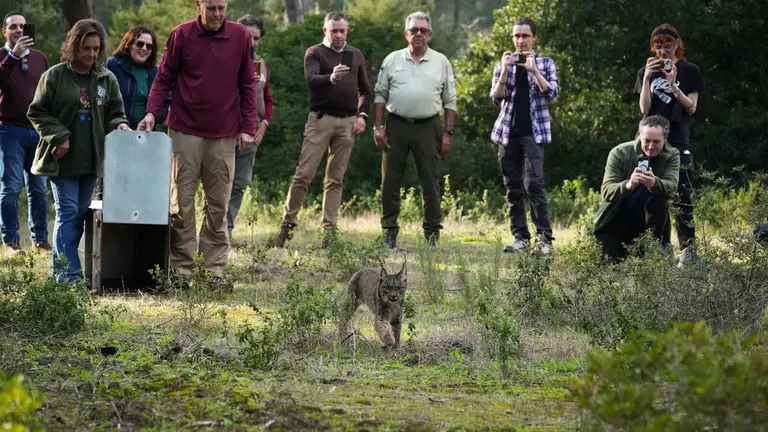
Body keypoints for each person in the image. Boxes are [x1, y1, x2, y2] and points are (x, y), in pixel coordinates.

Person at [138, 0, 257, 283]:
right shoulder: (181, 34)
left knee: (219, 204)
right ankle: (182, 270)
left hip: (224, 133)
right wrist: (151, 113)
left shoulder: (240, 36)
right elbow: (164, 78)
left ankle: (213, 270)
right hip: (185, 130)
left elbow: (247, 85)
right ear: (198, 5)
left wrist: (247, 127)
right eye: (211, 7)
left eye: (222, 8)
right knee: (181, 203)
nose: (217, 14)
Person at [28, 19, 130, 282]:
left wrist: (120, 125)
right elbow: (36, 112)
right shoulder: (55, 75)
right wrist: (59, 136)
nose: (92, 54)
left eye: (96, 49)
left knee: (78, 215)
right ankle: (69, 277)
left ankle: (61, 271)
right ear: (74, 46)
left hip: (92, 160)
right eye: (86, 48)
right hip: (62, 160)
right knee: (67, 212)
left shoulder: (106, 79)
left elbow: (116, 113)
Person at [270, 11, 370, 249]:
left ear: (347, 31)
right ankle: (288, 224)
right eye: (333, 30)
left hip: (347, 122)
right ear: (325, 30)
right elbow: (312, 80)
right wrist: (332, 78)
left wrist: (362, 116)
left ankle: (328, 233)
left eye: (341, 30)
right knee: (304, 174)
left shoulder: (355, 55)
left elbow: (365, 89)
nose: (337, 34)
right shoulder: (314, 53)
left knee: (335, 179)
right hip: (320, 120)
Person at [373, 11, 456, 249]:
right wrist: (378, 126)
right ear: (406, 34)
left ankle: (432, 234)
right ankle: (389, 232)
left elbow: (450, 99)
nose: (418, 34)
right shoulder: (392, 59)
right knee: (390, 180)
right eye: (414, 30)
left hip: (428, 126)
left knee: (430, 181)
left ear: (430, 35)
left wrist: (448, 133)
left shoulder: (441, 61)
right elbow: (380, 93)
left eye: (423, 30)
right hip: (396, 124)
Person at [635, 23, 704, 267]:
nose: (663, 51)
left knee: (682, 195)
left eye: (667, 45)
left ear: (677, 45)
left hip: (677, 139)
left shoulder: (689, 70)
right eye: (658, 46)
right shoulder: (647, 70)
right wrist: (645, 78)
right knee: (652, 196)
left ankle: (688, 251)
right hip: (650, 141)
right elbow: (644, 109)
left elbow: (692, 108)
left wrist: (673, 83)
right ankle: (660, 249)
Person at [489, 16, 560, 255]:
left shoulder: (546, 63)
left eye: (525, 36)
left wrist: (534, 71)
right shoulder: (504, 63)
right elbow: (495, 98)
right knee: (513, 188)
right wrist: (505, 71)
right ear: (512, 38)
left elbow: (553, 94)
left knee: (534, 186)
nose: (520, 40)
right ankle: (520, 238)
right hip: (507, 134)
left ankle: (544, 240)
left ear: (534, 38)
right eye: (517, 36)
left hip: (534, 134)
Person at [95, 25, 170, 200]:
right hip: (115, 140)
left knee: (140, 195)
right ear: (129, 44)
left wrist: (152, 116)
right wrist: (116, 123)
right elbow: (100, 99)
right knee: (110, 195)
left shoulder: (155, 73)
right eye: (139, 44)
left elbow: (166, 104)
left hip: (146, 143)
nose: (144, 49)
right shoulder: (113, 65)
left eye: (149, 46)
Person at [593, 116, 680, 262]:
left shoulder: (672, 155)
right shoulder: (620, 152)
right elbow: (607, 191)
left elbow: (671, 189)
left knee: (659, 197)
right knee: (609, 264)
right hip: (616, 217)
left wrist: (654, 183)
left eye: (656, 142)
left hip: (650, 222)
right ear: (640, 136)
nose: (651, 146)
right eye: (646, 141)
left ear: (665, 139)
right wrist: (628, 185)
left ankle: (656, 248)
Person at [0, 12, 50, 254]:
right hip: (9, 130)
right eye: (13, 27)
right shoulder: (1, 56)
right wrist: (12, 56)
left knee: (39, 188)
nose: (19, 30)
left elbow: (49, 91)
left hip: (38, 131)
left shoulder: (41, 58)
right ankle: (10, 242)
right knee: (10, 187)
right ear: (5, 32)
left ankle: (40, 240)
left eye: (22, 26)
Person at [227, 14, 273, 242]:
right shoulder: (225, 59)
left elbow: (268, 98)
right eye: (247, 37)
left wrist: (264, 123)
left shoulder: (261, 64)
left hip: (252, 133)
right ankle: (214, 232)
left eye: (256, 38)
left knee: (240, 184)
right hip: (225, 132)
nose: (252, 42)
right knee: (219, 184)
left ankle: (227, 229)